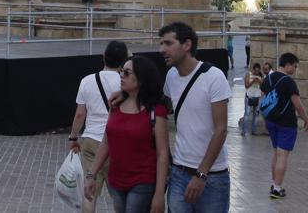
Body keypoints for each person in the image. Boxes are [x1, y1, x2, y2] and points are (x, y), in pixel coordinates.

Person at [158, 21, 231, 213]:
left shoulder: (213, 77)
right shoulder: (171, 76)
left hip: (212, 177)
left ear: (187, 45)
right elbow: (162, 109)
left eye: (168, 43)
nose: (162, 49)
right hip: (179, 173)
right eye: (161, 44)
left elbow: (221, 129)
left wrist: (201, 174)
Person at [84, 56, 170, 213]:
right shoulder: (116, 104)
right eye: (121, 71)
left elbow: (163, 154)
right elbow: (106, 142)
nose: (121, 76)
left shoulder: (155, 111)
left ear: (142, 78)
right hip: (117, 181)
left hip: (142, 181)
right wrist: (91, 175)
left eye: (127, 73)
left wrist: (159, 194)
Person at [69, 40, 127, 213]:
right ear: (124, 60)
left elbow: (80, 114)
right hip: (115, 142)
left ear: (103, 57)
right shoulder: (125, 83)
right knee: (117, 193)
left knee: (89, 191)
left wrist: (73, 137)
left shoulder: (87, 81)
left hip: (91, 140)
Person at [262, 52, 308, 201]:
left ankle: (274, 184)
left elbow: (262, 100)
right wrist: (306, 119)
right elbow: (297, 104)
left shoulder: (268, 78)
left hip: (271, 121)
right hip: (286, 123)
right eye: (295, 66)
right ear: (288, 65)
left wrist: (265, 119)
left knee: (275, 153)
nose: (295, 69)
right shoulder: (288, 81)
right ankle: (277, 189)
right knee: (282, 156)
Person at [240, 63, 263, 136]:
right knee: (247, 114)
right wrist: (253, 81)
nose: (257, 72)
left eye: (258, 71)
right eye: (255, 71)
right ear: (253, 70)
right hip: (249, 97)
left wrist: (259, 81)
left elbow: (263, 87)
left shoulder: (261, 76)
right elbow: (246, 86)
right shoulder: (248, 75)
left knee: (256, 115)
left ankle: (254, 130)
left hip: (257, 97)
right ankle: (244, 131)